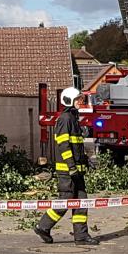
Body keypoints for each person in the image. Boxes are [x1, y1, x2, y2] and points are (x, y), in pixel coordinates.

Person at [34, 86, 97, 245]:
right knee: (65, 201)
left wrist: (85, 160)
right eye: (78, 100)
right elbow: (63, 145)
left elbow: (76, 146)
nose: (80, 102)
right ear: (69, 101)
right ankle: (43, 226)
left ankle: (81, 236)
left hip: (76, 171)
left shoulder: (73, 118)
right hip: (67, 172)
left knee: (81, 202)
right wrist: (71, 167)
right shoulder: (65, 119)